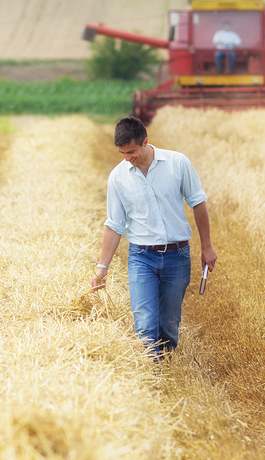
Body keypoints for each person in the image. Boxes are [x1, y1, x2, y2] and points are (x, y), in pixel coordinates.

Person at [91, 117, 217, 359]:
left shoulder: (178, 163)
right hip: (141, 257)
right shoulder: (118, 177)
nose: (127, 158)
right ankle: (153, 374)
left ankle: (167, 366)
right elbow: (114, 225)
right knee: (146, 324)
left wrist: (207, 247)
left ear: (145, 142)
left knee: (169, 325)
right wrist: (102, 267)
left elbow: (198, 203)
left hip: (177, 256)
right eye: (121, 153)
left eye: (131, 151)